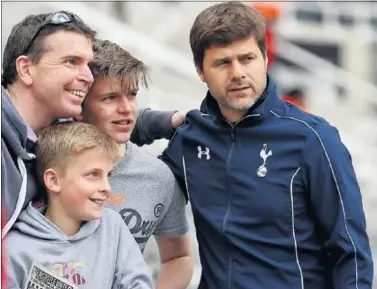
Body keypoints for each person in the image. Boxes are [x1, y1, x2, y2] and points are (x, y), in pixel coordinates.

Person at [158, 2, 374, 288]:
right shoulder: (190, 140)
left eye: (247, 59)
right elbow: (130, 174)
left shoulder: (313, 139)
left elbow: (351, 255)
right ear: (200, 70)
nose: (237, 73)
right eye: (223, 62)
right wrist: (155, 122)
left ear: (265, 59)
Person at [1, 11, 183, 237]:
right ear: (26, 70)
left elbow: (105, 120)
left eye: (87, 64)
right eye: (71, 62)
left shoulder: (48, 131)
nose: (88, 76)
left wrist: (170, 121)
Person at [80, 39, 193, 289]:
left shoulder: (159, 177)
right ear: (80, 105)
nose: (126, 109)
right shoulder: (44, 156)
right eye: (110, 98)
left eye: (132, 95)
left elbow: (179, 257)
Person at [5, 122, 153, 289]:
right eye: (93, 174)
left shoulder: (113, 227)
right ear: (53, 181)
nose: (107, 187)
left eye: (108, 175)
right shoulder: (14, 250)